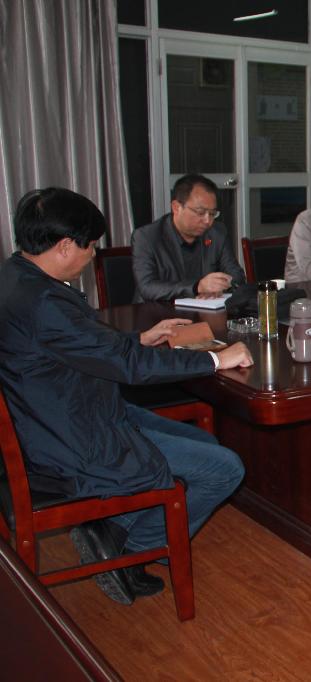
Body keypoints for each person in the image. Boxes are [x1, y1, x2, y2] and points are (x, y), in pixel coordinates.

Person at [0, 188, 252, 606]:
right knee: (224, 468)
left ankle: (114, 527)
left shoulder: (17, 275)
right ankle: (129, 551)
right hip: (73, 438)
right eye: (90, 246)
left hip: (66, 411)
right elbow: (130, 367)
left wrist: (138, 338)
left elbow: (77, 346)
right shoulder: (44, 302)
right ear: (64, 246)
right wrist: (214, 360)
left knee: (203, 441)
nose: (93, 255)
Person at [132, 174, 247, 301]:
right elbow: (147, 287)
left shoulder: (217, 233)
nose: (207, 220)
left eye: (212, 213)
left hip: (206, 308)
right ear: (176, 207)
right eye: (200, 212)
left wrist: (221, 286)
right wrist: (196, 287)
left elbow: (237, 276)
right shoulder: (146, 237)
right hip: (157, 310)